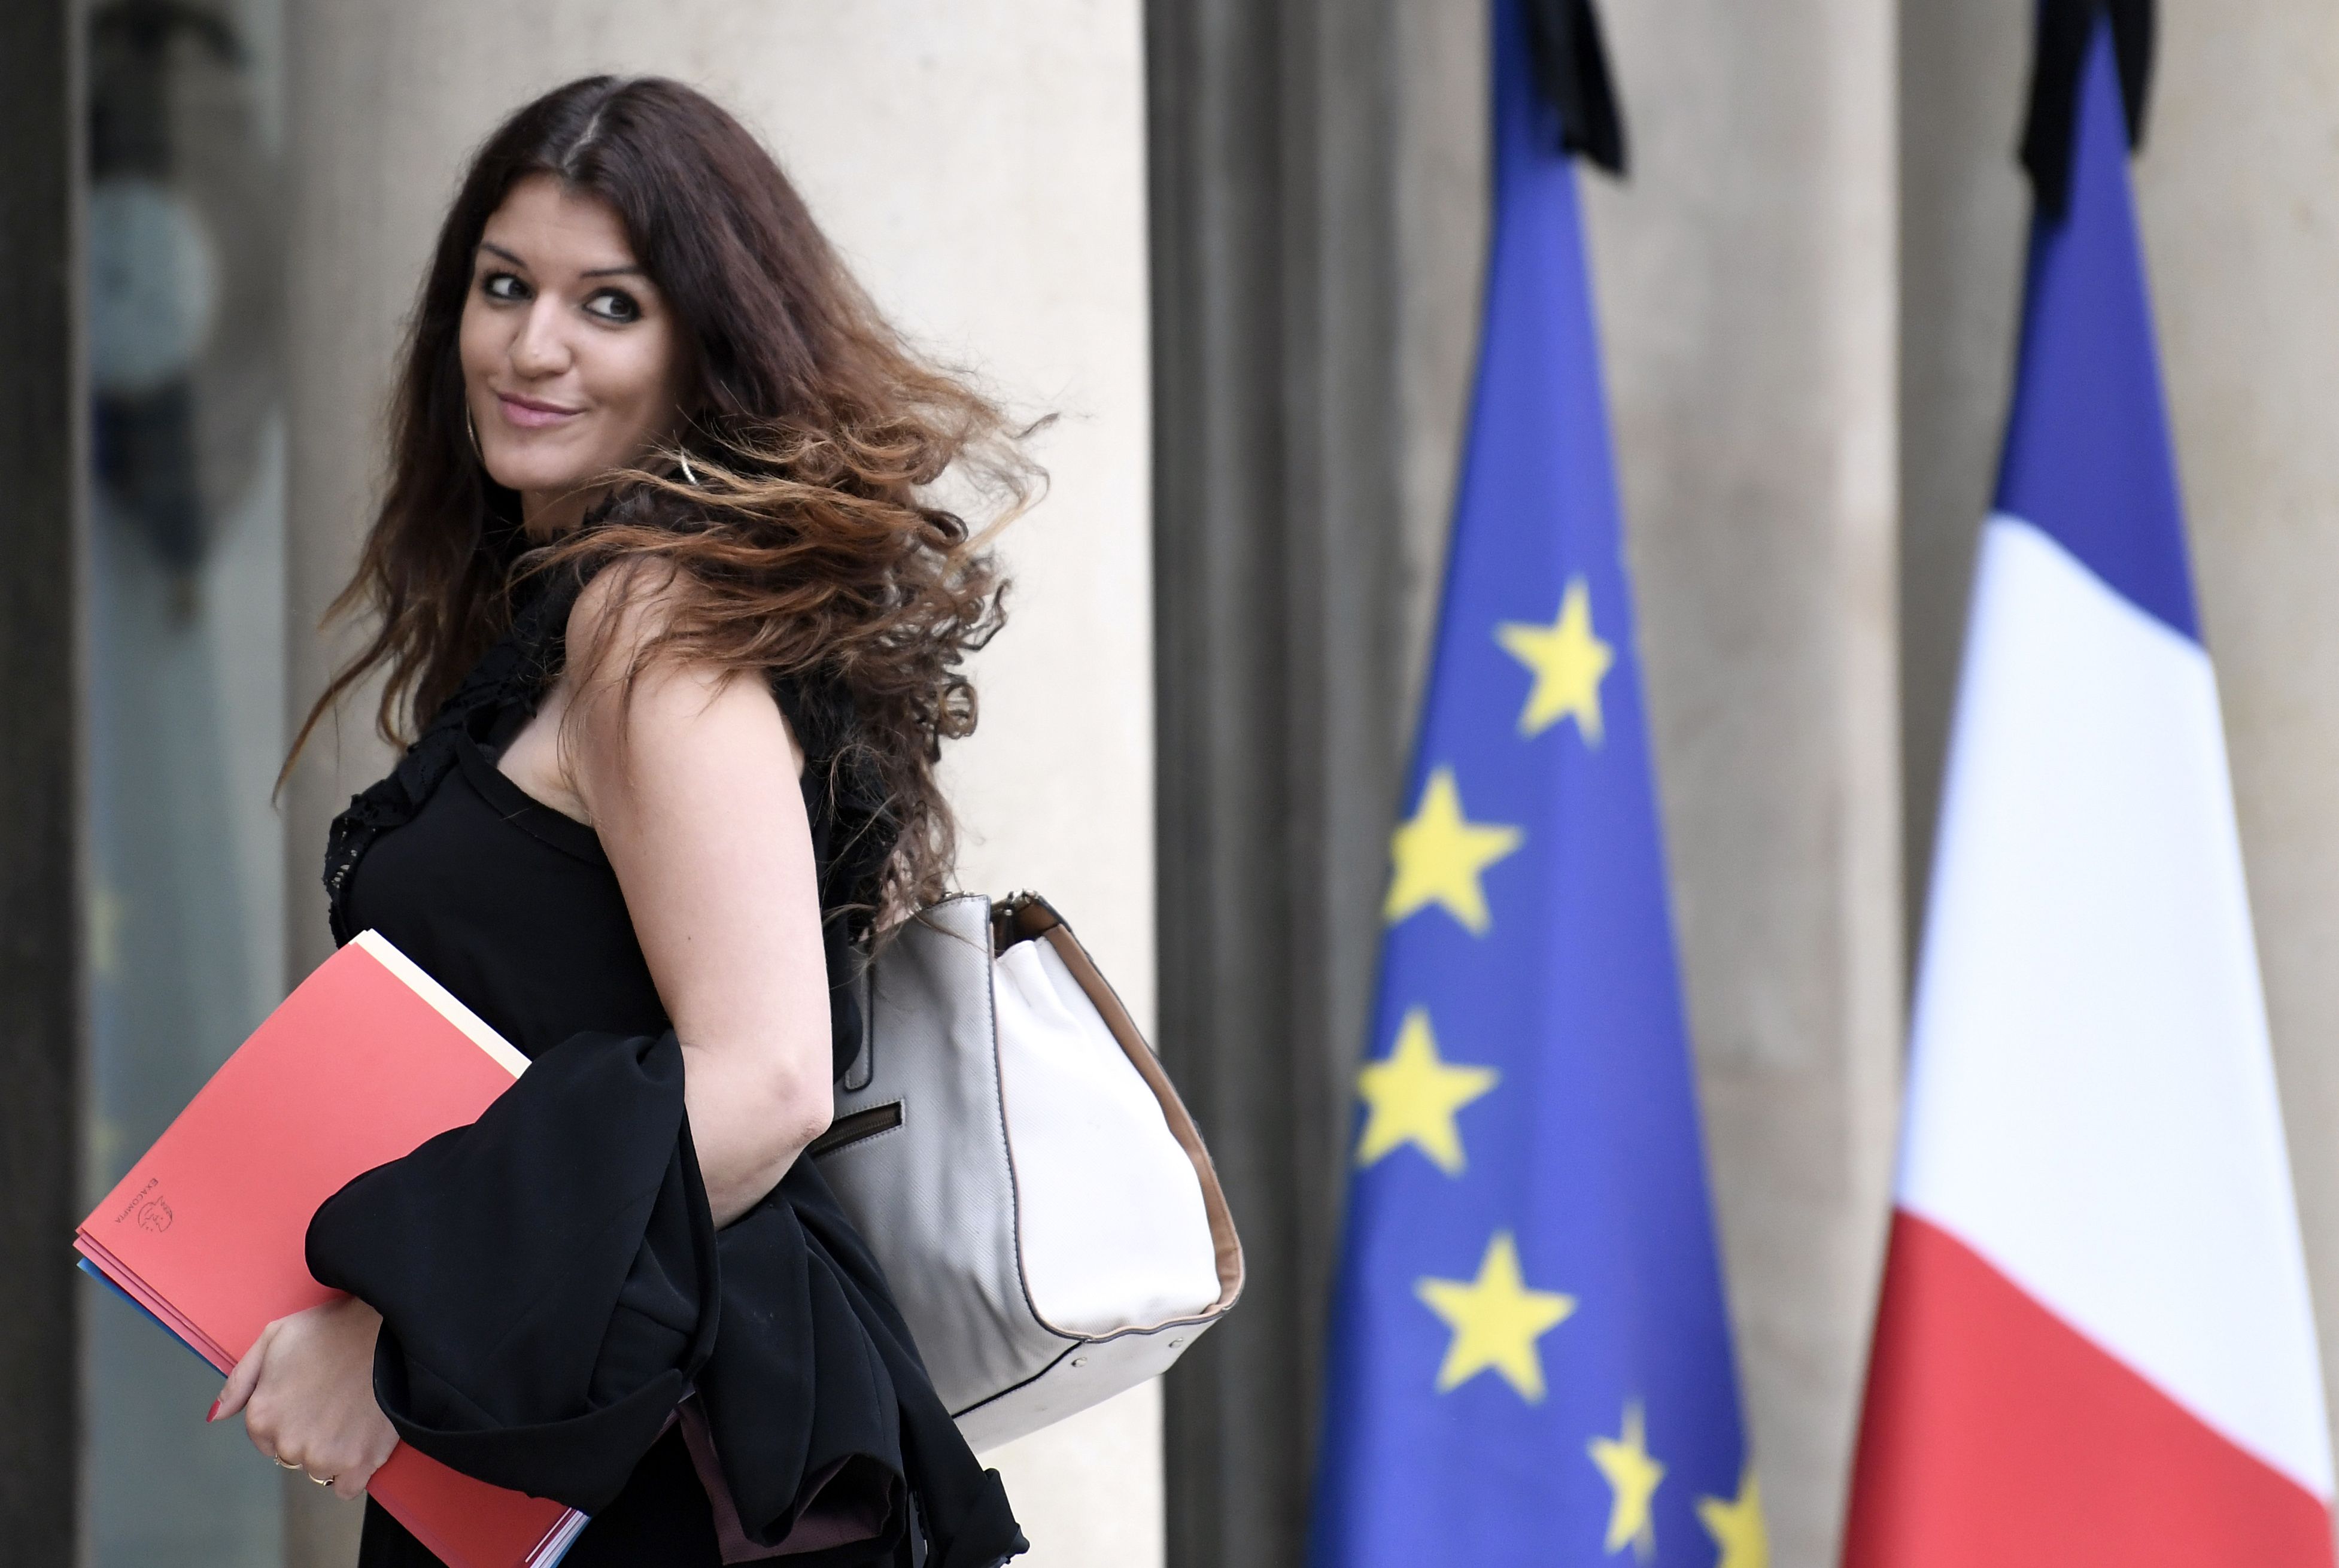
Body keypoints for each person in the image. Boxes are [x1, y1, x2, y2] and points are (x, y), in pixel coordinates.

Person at [207, 75, 1032, 1566]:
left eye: (610, 305)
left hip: (679, 1464)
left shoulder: (651, 623)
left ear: (700, 346)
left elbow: (766, 1078)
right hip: (583, 1417)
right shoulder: (568, 616)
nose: (533, 346)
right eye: (505, 286)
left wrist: (398, 1323)